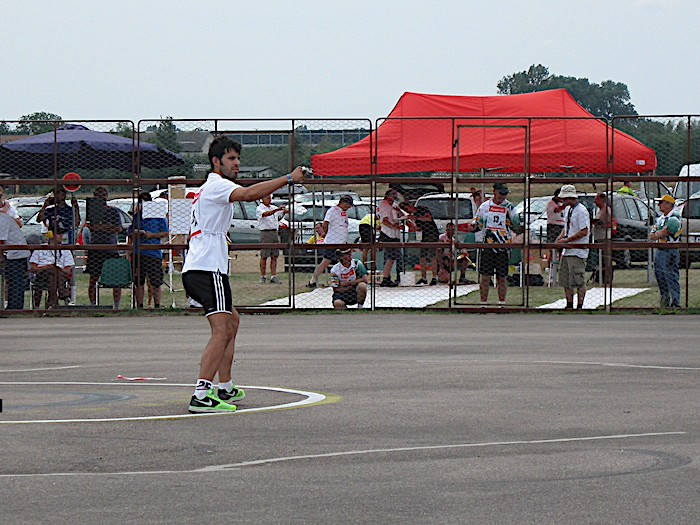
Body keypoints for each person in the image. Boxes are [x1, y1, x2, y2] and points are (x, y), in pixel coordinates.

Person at [182, 136, 306, 413]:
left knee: (232, 323)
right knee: (221, 329)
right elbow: (249, 194)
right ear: (216, 162)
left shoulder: (210, 187)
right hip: (206, 267)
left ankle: (224, 387)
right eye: (231, 159)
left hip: (204, 266)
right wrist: (288, 178)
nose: (237, 163)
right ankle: (201, 394)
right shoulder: (216, 185)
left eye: (238, 158)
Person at [467, 183, 520, 305]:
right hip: (487, 246)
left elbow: (516, 225)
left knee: (502, 276)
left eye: (505, 194)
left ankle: (502, 302)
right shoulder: (485, 206)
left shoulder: (509, 207)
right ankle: (483, 303)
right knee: (485, 276)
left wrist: (518, 226)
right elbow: (478, 223)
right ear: (494, 192)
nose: (502, 197)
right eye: (500, 194)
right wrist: (473, 226)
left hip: (503, 246)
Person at [85, 187, 124, 309]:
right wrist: (105, 227)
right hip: (95, 247)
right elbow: (91, 227)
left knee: (115, 279)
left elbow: (118, 228)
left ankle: (116, 305)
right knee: (93, 278)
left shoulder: (113, 212)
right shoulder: (92, 211)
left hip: (110, 248)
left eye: (102, 195)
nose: (100, 198)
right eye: (97, 195)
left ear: (107, 196)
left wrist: (101, 227)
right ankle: (93, 304)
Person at [128, 192, 169, 309]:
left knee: (156, 281)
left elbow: (166, 232)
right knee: (138, 282)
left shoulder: (158, 217)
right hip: (138, 253)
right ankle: (139, 305)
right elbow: (130, 233)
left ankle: (157, 305)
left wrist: (152, 235)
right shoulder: (137, 217)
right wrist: (135, 233)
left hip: (154, 253)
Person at [307, 194, 354, 288]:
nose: (349, 208)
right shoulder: (332, 210)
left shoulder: (344, 212)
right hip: (332, 241)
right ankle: (313, 280)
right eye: (348, 205)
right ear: (343, 203)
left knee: (346, 261)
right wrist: (325, 233)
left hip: (342, 242)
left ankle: (345, 279)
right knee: (326, 262)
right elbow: (326, 223)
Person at [555, 184, 590, 310]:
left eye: (565, 198)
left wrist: (567, 240)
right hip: (567, 250)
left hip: (577, 250)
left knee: (578, 279)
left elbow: (584, 231)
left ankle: (580, 305)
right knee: (566, 279)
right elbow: (566, 228)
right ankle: (569, 304)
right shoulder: (569, 210)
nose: (563, 201)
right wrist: (559, 238)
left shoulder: (581, 211)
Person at [649, 194, 682, 307]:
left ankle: (675, 302)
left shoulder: (675, 217)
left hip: (670, 250)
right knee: (660, 277)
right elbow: (651, 235)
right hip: (660, 250)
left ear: (668, 204)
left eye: (661, 203)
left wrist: (660, 233)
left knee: (671, 276)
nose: (659, 205)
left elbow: (670, 231)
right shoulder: (660, 219)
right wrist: (660, 232)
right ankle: (665, 302)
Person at [29, 231, 74, 308]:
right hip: (42, 275)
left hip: (59, 275)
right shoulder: (40, 248)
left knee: (53, 274)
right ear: (51, 235)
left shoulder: (65, 250)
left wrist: (57, 268)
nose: (61, 236)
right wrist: (46, 267)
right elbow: (33, 268)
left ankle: (52, 303)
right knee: (52, 272)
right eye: (59, 234)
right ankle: (63, 296)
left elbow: (67, 271)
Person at [0, 208, 30, 310]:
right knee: (12, 282)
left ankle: (15, 308)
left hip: (17, 254)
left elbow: (1, 241)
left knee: (16, 283)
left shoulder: (2, 219)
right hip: (10, 253)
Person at [256, 194, 287, 284]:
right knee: (264, 255)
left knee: (274, 255)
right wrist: (277, 209)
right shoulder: (260, 208)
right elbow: (265, 214)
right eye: (267, 198)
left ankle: (273, 276)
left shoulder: (273, 207)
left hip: (274, 232)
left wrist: (286, 209)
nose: (269, 200)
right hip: (266, 232)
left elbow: (282, 213)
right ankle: (263, 276)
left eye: (270, 198)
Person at [376, 189, 404, 287]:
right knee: (390, 257)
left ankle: (388, 278)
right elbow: (385, 221)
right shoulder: (384, 205)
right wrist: (395, 227)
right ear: (387, 196)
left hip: (394, 234)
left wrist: (399, 211)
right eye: (393, 195)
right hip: (388, 234)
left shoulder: (394, 205)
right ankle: (386, 278)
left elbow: (401, 215)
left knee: (393, 258)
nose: (395, 196)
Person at [413, 206, 440, 285]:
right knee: (422, 256)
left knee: (432, 255)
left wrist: (416, 218)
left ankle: (434, 277)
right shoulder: (413, 216)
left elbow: (428, 218)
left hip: (432, 234)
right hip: (424, 235)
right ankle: (423, 277)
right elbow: (418, 228)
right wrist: (411, 224)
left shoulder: (422, 210)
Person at [592, 192, 614, 285]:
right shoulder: (597, 210)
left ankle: (607, 279)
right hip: (598, 237)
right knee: (600, 259)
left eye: (597, 199)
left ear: (602, 200)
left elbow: (611, 224)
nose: (595, 201)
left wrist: (601, 225)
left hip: (605, 238)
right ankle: (599, 277)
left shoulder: (607, 210)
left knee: (606, 259)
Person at [545, 189, 566, 269]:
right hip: (553, 226)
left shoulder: (561, 204)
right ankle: (550, 265)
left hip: (562, 226)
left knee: (562, 247)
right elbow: (556, 210)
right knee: (552, 247)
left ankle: (560, 266)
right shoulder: (551, 204)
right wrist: (563, 205)